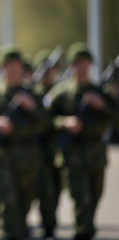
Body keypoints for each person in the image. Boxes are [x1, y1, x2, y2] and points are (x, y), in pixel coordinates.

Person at [0, 45, 46, 240]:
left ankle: (19, 229)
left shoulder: (33, 93)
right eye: (7, 65)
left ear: (21, 67)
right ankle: (12, 233)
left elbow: (47, 123)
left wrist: (32, 108)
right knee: (7, 199)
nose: (11, 69)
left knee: (25, 198)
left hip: (27, 154)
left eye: (15, 65)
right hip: (2, 154)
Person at [45, 42, 119, 240]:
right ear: (72, 66)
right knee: (81, 199)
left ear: (91, 65)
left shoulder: (100, 92)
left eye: (86, 63)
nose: (82, 67)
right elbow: (45, 120)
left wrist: (102, 105)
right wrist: (64, 122)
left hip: (96, 153)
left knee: (95, 196)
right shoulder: (60, 93)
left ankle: (87, 228)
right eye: (78, 63)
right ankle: (83, 232)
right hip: (73, 153)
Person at [32, 49, 63, 238]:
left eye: (51, 69)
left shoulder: (60, 91)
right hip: (37, 149)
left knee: (57, 187)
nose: (48, 74)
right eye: (45, 70)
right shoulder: (33, 92)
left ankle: (51, 221)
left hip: (57, 148)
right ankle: (47, 223)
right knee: (44, 189)